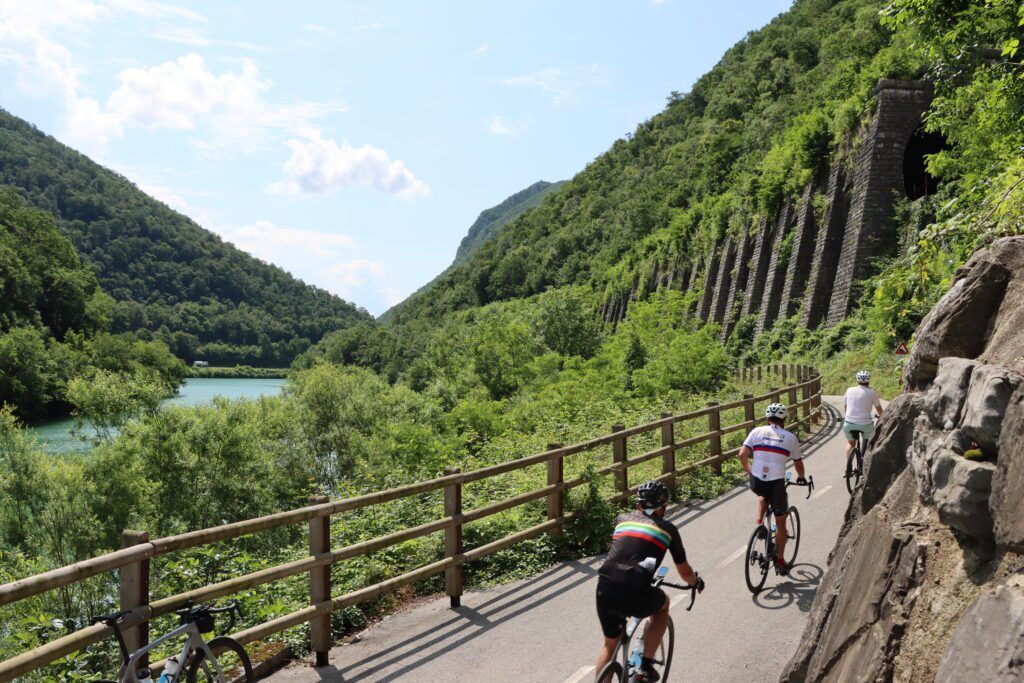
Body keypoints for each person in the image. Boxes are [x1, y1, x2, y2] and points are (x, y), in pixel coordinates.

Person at [594, 481, 704, 682]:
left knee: (610, 645)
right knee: (663, 606)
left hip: (605, 585)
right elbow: (684, 572)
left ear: (638, 505)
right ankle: (644, 666)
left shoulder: (622, 520)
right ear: (664, 507)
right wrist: (696, 582)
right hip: (635, 588)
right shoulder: (668, 530)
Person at [739, 403, 806, 576]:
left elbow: (742, 454)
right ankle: (781, 559)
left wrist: (750, 471)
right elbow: (798, 463)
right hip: (776, 482)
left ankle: (759, 525)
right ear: (784, 420)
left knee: (762, 495)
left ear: (767, 418)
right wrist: (801, 477)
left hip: (757, 481)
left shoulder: (756, 432)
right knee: (781, 522)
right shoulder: (790, 437)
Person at [843, 370, 883, 461]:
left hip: (848, 424)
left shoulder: (849, 390)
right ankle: (863, 459)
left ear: (857, 380)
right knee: (868, 439)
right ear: (868, 381)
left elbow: (845, 406)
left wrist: (847, 417)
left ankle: (848, 468)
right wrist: (883, 417)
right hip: (865, 425)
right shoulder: (871, 392)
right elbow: (879, 409)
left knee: (850, 443)